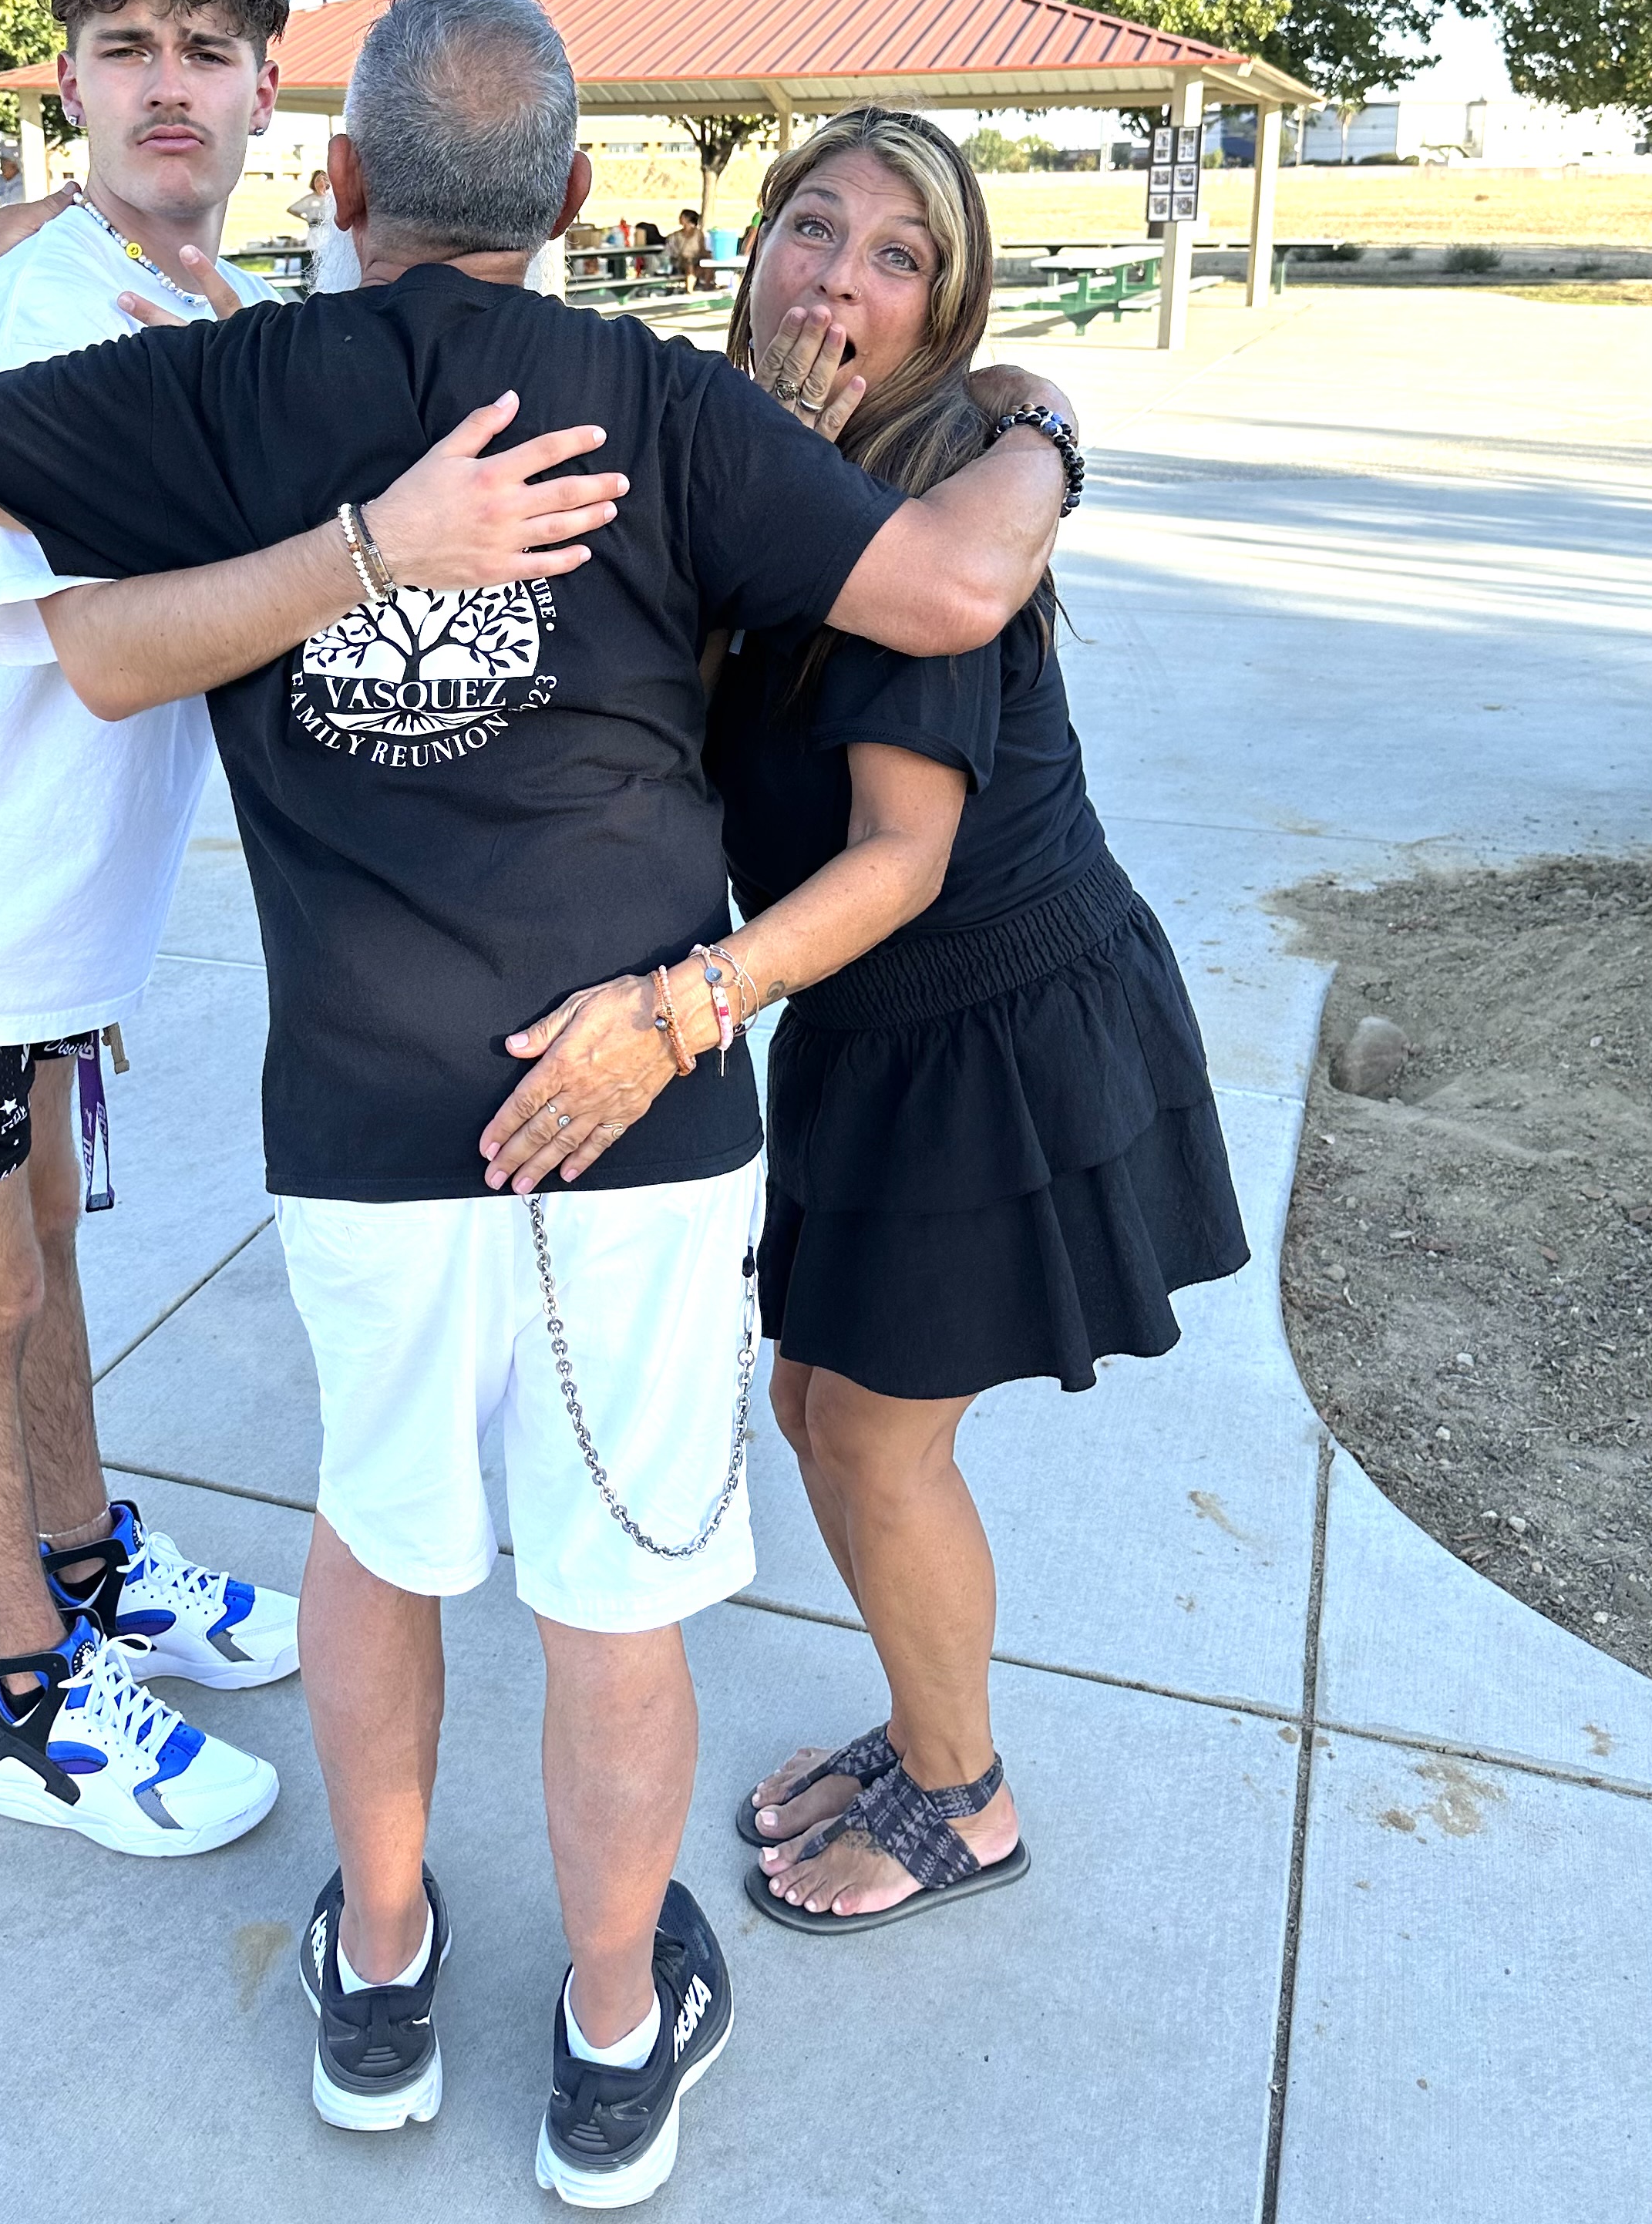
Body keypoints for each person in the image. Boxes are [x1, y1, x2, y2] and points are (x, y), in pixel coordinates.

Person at [0, 0, 1078, 2205]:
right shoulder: (666, 406)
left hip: (367, 1118)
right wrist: (1040, 424)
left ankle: (385, 1975)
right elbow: (948, 591)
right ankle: (607, 2033)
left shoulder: (222, 384)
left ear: (335, 176)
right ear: (578, 196)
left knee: (381, 1540)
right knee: (614, 1597)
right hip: (645, 1115)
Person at [0, 0, 606, 1866]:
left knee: (42, 1252)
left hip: (29, 917)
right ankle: (28, 1699)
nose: (165, 86)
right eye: (122, 47)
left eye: (205, 51)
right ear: (68, 80)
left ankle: (84, 1561)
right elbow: (93, 629)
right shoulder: (51, 304)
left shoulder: (205, 308)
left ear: (269, 96)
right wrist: (375, 549)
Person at [507, 106, 1249, 1937]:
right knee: (812, 1400)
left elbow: (902, 858)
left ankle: (961, 1798)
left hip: (994, 1025)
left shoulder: (925, 516)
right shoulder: (737, 456)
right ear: (751, 245)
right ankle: (926, 1731)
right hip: (865, 1027)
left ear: (940, 310)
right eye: (813, 227)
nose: (839, 278)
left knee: (875, 1439)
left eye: (897, 255)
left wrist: (679, 1012)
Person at [287, 165, 334, 287]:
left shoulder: (332, 199)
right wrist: (306, 219)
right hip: (315, 233)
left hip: (330, 233)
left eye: (324, 180)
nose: (321, 184)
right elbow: (292, 209)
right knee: (313, 262)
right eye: (318, 181)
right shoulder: (310, 199)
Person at [665, 206, 706, 290]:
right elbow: (672, 250)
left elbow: (702, 248)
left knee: (706, 267)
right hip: (681, 260)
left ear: (686, 219)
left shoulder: (698, 234)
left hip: (696, 258)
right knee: (689, 264)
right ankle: (690, 290)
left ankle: (707, 288)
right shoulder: (676, 235)